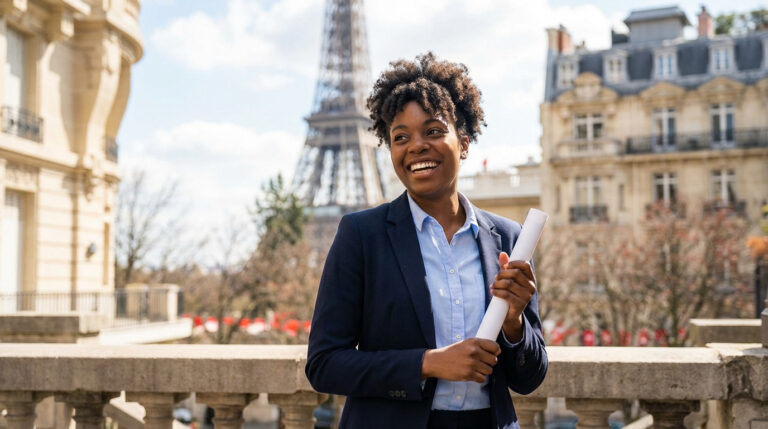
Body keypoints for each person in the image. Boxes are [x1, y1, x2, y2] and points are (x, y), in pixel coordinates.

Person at [305, 52, 547, 429]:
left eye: (433, 131)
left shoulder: (509, 238)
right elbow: (324, 365)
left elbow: (529, 378)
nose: (416, 145)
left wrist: (515, 322)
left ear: (464, 143)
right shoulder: (361, 235)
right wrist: (427, 363)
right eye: (401, 137)